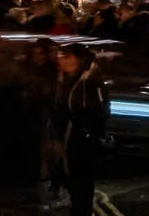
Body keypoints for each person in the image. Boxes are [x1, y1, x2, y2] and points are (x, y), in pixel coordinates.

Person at [50, 45, 109, 215]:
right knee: (70, 179)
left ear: (78, 59)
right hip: (66, 137)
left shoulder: (90, 81)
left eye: (65, 56)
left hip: (81, 139)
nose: (60, 59)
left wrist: (88, 131)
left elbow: (100, 111)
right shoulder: (64, 79)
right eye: (60, 55)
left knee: (81, 181)